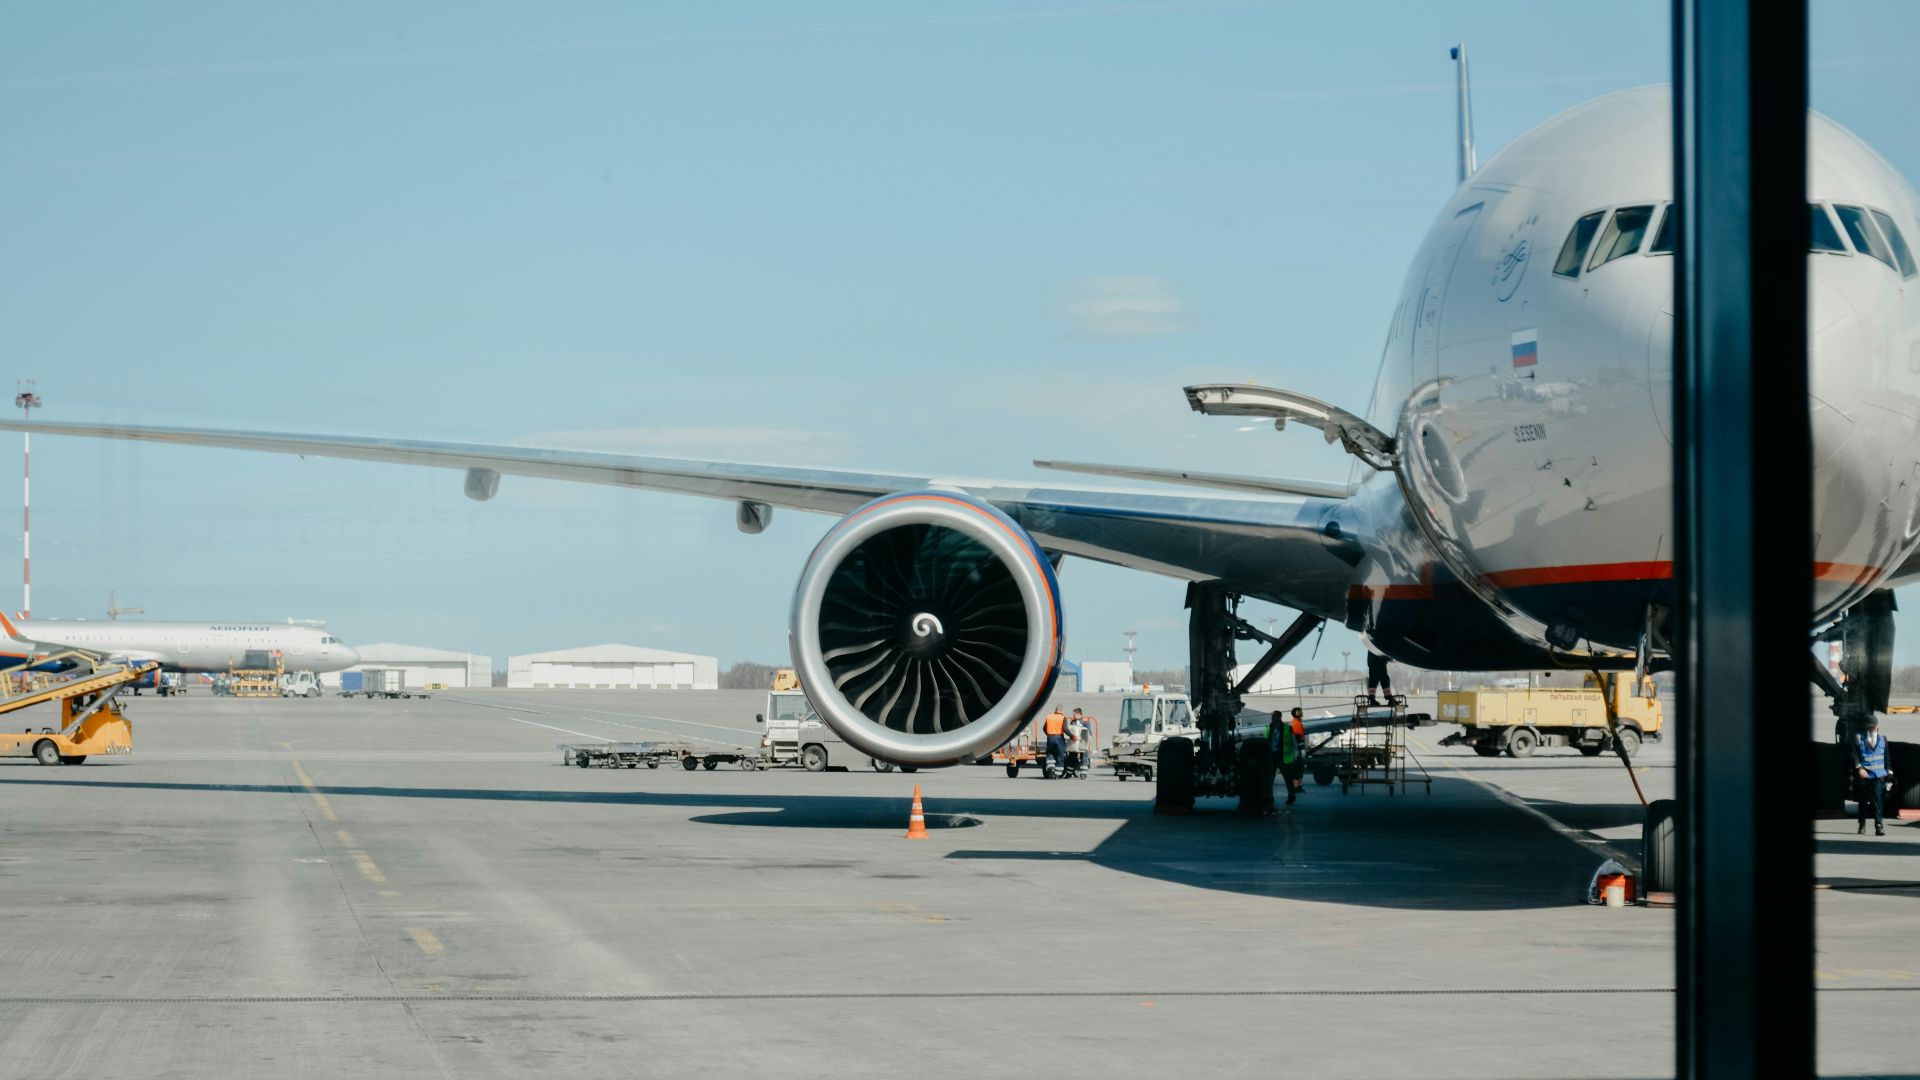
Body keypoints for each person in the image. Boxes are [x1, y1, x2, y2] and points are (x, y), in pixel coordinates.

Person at [1853, 713, 1892, 836]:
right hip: (1865, 775)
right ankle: (1862, 823)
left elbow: (1887, 758)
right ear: (1866, 728)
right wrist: (1859, 768)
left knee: (1878, 800)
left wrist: (1890, 773)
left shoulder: (1883, 740)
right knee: (1863, 800)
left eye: (1873, 727)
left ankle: (1879, 825)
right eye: (1869, 727)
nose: (1871, 729)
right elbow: (1854, 755)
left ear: (1877, 727)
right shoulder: (1859, 739)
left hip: (1879, 775)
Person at [1272, 708, 1307, 805]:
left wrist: (1296, 752)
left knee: (1287, 778)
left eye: (1275, 717)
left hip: (1283, 757)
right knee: (1275, 778)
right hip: (1276, 757)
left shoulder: (1288, 728)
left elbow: (1294, 741)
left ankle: (1291, 796)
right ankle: (1271, 798)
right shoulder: (1270, 728)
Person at [1042, 706, 1068, 778]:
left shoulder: (1049, 717)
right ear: (1061, 711)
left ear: (1055, 711)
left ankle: (1051, 768)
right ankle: (1057, 774)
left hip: (1050, 738)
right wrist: (1072, 736)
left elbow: (1044, 728)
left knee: (1050, 753)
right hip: (1059, 738)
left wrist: (1049, 734)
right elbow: (1065, 729)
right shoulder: (1063, 718)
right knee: (1060, 754)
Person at [1067, 709, 1091, 778]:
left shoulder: (1085, 721)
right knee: (1072, 756)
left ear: (1079, 714)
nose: (1073, 716)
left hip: (1082, 741)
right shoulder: (1072, 721)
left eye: (1074, 714)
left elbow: (1088, 731)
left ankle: (1083, 773)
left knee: (1084, 756)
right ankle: (1069, 773)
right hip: (1074, 742)